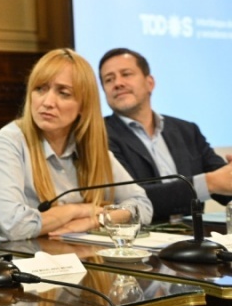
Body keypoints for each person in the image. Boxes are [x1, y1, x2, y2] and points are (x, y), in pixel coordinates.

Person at [0, 48, 153, 240]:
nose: (47, 102)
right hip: (23, 260)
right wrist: (77, 210)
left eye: (63, 93)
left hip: (78, 256)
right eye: (40, 89)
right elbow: (13, 226)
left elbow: (142, 204)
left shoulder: (88, 145)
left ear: (83, 105)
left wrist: (96, 220)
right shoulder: (11, 140)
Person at [98, 48, 232, 223]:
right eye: (109, 79)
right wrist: (208, 183)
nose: (118, 83)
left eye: (126, 74)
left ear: (150, 83)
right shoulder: (99, 135)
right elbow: (132, 198)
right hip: (140, 240)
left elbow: (223, 183)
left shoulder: (187, 130)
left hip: (196, 239)